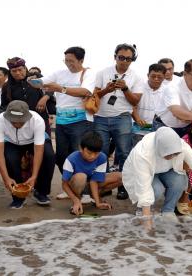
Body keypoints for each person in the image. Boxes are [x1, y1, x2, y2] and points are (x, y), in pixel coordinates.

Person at [122, 127, 192, 221]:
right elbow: (144, 189)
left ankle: (168, 211)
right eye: (169, 154)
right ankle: (141, 210)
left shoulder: (181, 146)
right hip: (144, 172)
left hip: (167, 170)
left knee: (180, 181)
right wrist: (147, 223)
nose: (173, 156)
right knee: (157, 189)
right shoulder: (143, 153)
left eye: (176, 154)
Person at [32, 46, 96, 173]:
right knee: (61, 156)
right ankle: (68, 183)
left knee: (78, 154)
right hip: (61, 121)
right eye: (66, 60)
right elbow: (40, 82)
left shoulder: (88, 73)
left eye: (71, 61)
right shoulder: (59, 73)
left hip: (80, 121)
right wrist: (31, 80)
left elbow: (86, 91)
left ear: (81, 60)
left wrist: (61, 88)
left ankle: (81, 188)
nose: (68, 64)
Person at [93, 43, 143, 200]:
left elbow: (135, 101)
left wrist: (125, 89)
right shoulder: (102, 73)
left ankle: (124, 186)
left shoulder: (136, 77)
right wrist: (107, 90)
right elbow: (95, 96)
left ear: (132, 59)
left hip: (122, 117)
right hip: (100, 117)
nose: (124, 61)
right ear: (115, 57)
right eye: (121, 57)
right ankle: (105, 185)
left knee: (124, 153)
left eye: (128, 58)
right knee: (101, 153)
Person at [0, 100, 55, 208]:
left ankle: (41, 192)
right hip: (11, 141)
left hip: (32, 141)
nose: (17, 124)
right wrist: (5, 177)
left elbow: (38, 150)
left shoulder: (37, 120)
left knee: (49, 155)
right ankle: (18, 197)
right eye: (13, 121)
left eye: (21, 122)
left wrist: (34, 176)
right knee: (10, 159)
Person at [62, 131, 122, 215]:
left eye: (96, 153)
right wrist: (76, 200)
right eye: (89, 153)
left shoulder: (102, 157)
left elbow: (94, 181)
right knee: (81, 177)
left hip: (90, 185)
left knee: (120, 177)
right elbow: (64, 184)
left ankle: (94, 197)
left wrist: (98, 203)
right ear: (81, 148)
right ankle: (77, 201)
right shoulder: (71, 159)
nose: (93, 156)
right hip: (76, 185)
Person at [154, 59, 192, 137]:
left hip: (186, 126)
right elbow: (176, 110)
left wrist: (190, 118)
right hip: (165, 125)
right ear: (185, 74)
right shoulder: (172, 87)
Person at [2, 57, 55, 134]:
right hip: (20, 123)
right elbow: (4, 105)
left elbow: (52, 87)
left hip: (40, 119)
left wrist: (44, 98)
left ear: (25, 68)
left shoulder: (35, 77)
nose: (17, 73)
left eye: (20, 70)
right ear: (10, 72)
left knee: (45, 143)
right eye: (14, 71)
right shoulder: (7, 86)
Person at [131, 63, 166, 145]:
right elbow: (132, 104)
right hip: (138, 128)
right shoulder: (138, 87)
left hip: (157, 131)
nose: (156, 79)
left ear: (164, 77)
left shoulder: (167, 91)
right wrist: (137, 119)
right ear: (148, 75)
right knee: (136, 152)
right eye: (153, 76)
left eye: (159, 77)